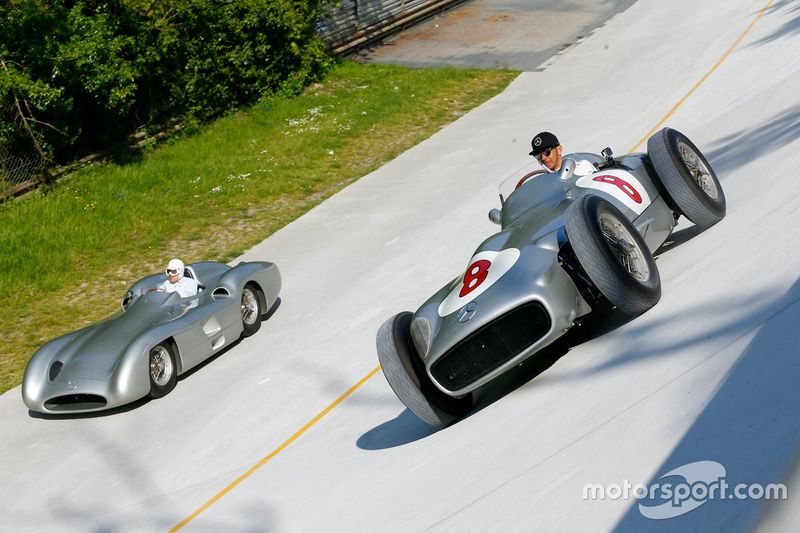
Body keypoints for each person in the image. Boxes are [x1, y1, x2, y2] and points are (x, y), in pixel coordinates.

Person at [528, 131, 597, 176]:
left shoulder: (580, 168)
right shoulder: (544, 183)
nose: (543, 158)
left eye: (547, 152)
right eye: (538, 155)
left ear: (559, 150)